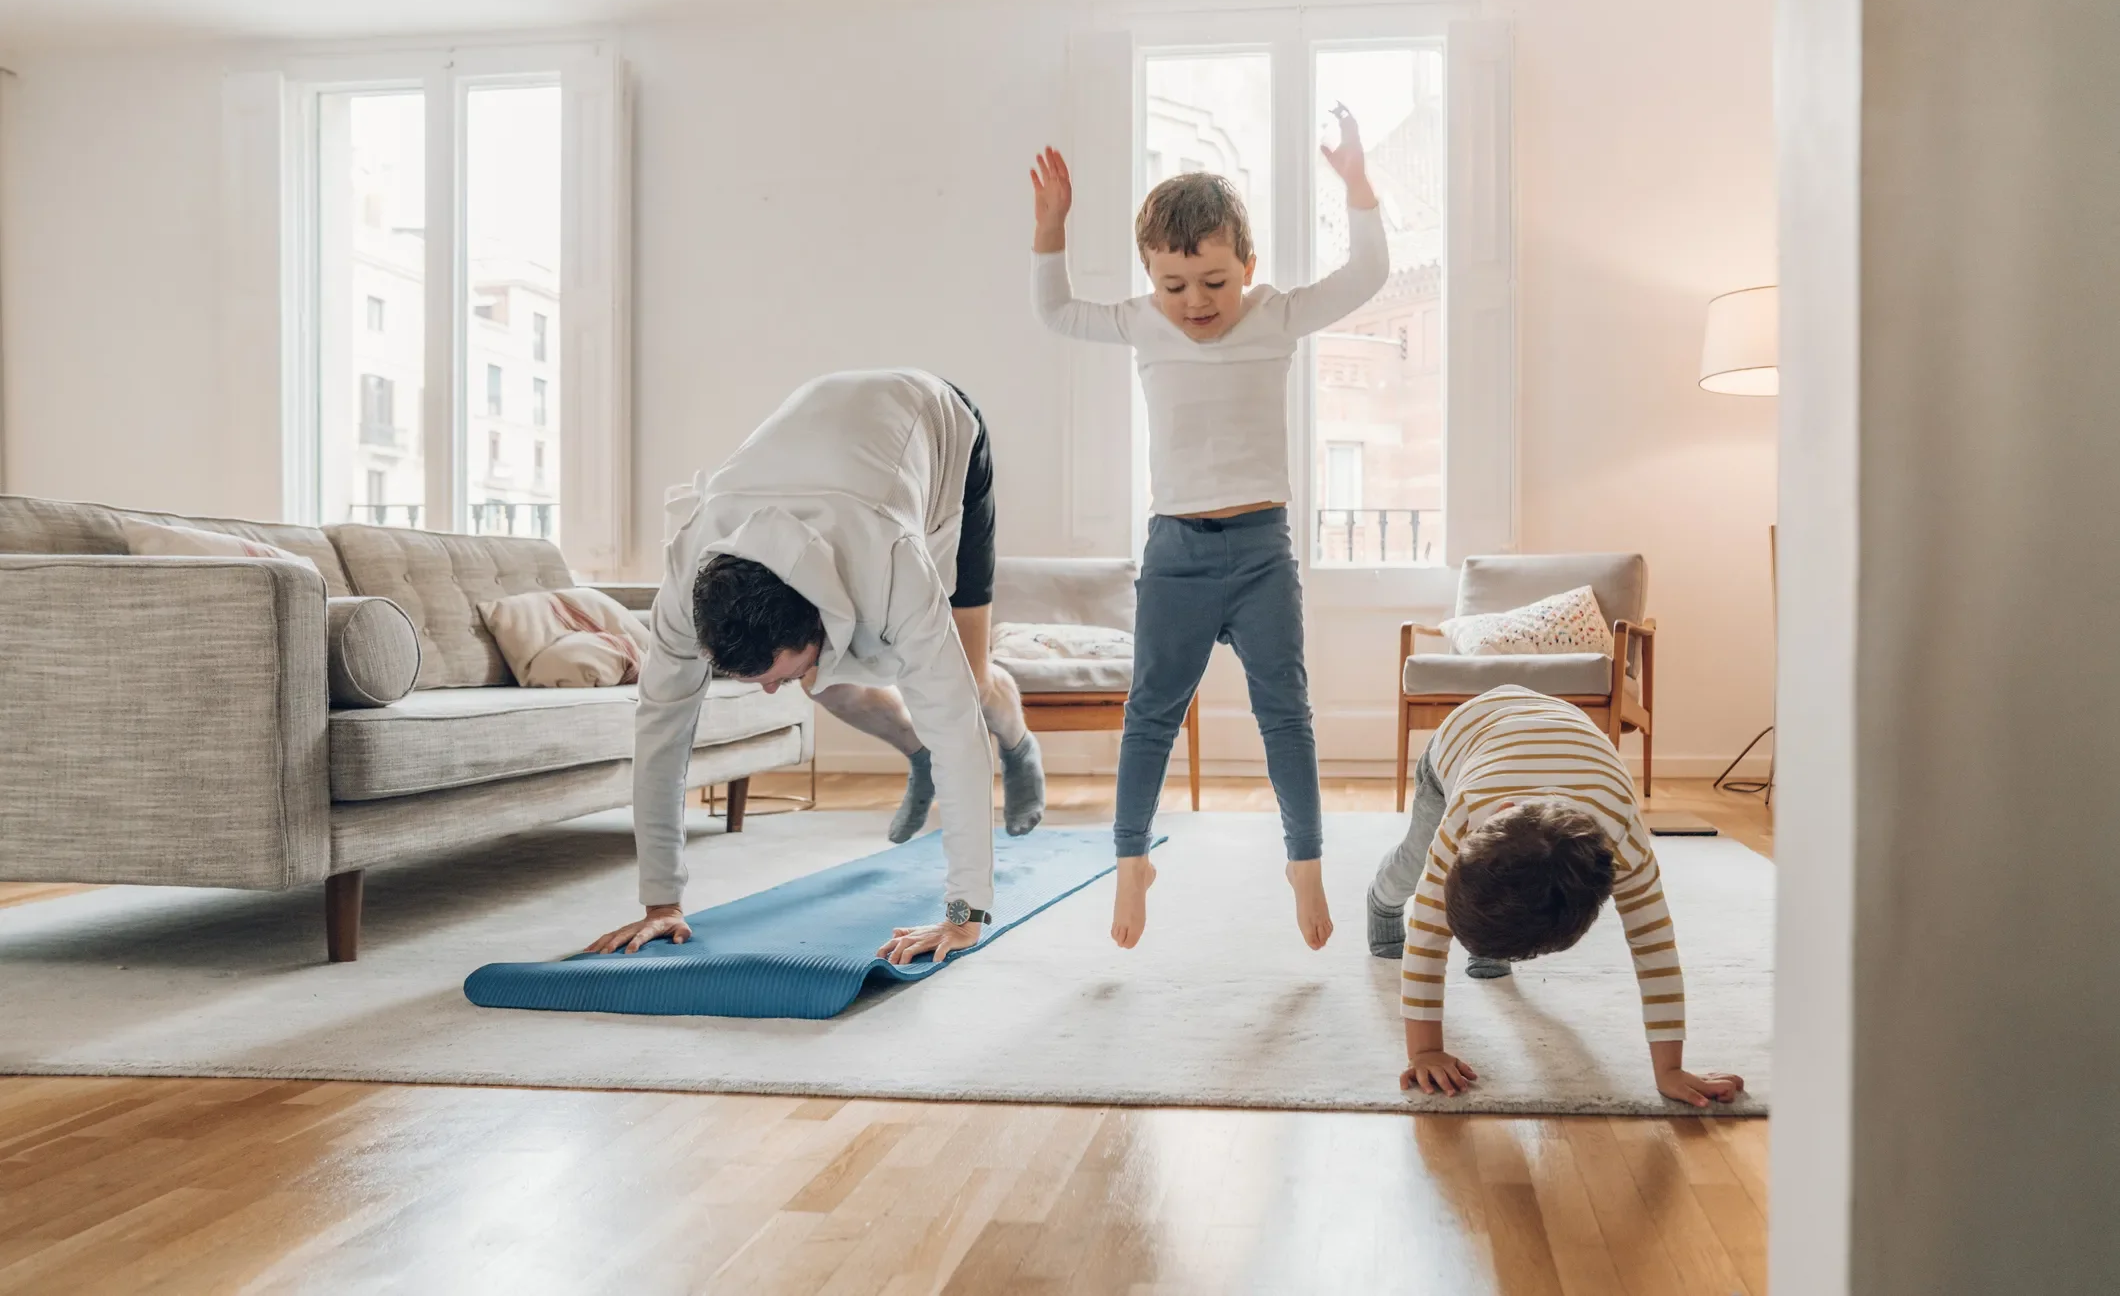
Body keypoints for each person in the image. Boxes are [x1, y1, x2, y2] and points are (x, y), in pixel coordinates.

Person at [1028, 106, 1388, 951]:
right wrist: (1051, 227)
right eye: (1174, 285)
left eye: (1216, 283)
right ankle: (1130, 865)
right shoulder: (1137, 321)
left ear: (1248, 268)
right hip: (1176, 554)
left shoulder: (1276, 315)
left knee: (1284, 712)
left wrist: (1360, 189)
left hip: (1263, 549)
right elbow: (1054, 311)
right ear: (1151, 279)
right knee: (1150, 713)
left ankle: (1305, 864)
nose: (1196, 303)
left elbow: (1367, 274)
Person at [586, 369, 1046, 966]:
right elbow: (659, 735)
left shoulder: (892, 564)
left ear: (815, 623)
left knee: (971, 683)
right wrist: (660, 903)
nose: (772, 691)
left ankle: (1019, 745)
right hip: (828, 448)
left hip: (940, 430)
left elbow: (957, 727)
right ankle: (915, 753)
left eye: (774, 674)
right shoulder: (685, 579)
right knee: (829, 687)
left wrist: (964, 914)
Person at [1369, 685, 1746, 1108]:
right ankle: (1381, 901)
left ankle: (1490, 948)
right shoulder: (1465, 815)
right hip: (1462, 739)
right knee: (1413, 861)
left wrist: (1670, 1069)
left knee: (1511, 908)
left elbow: (1654, 948)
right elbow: (1427, 930)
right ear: (1493, 815)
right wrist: (1424, 1050)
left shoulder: (1624, 841)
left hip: (1555, 735)